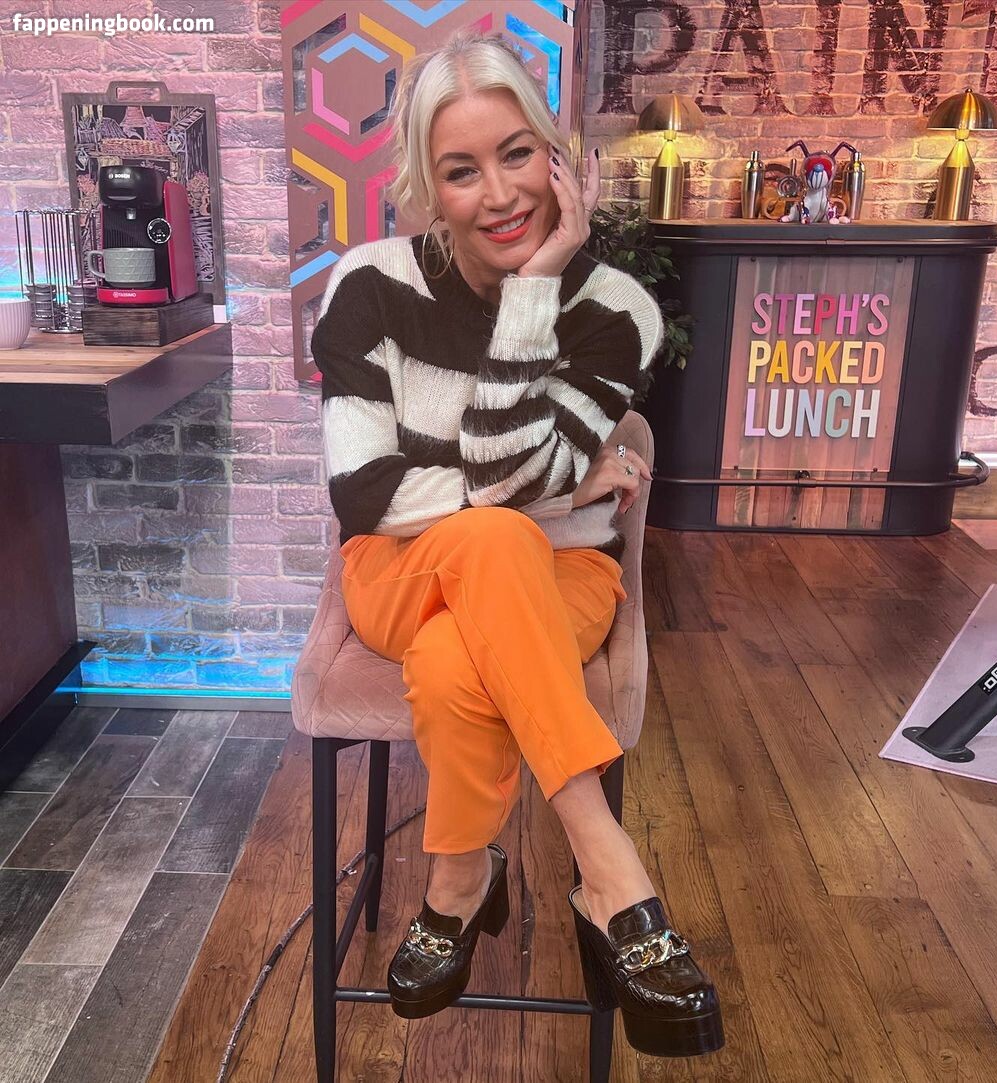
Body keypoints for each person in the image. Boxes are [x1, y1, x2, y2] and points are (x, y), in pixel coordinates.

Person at [309, 28, 723, 1059]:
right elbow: (364, 494)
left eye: (516, 154)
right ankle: (607, 865)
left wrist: (538, 286)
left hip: (562, 576)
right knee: (493, 535)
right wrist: (562, 488)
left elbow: (488, 482)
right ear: (426, 187)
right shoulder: (366, 287)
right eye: (461, 171)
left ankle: (459, 878)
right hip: (395, 572)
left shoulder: (615, 311)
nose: (498, 194)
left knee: (464, 646)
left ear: (556, 155)